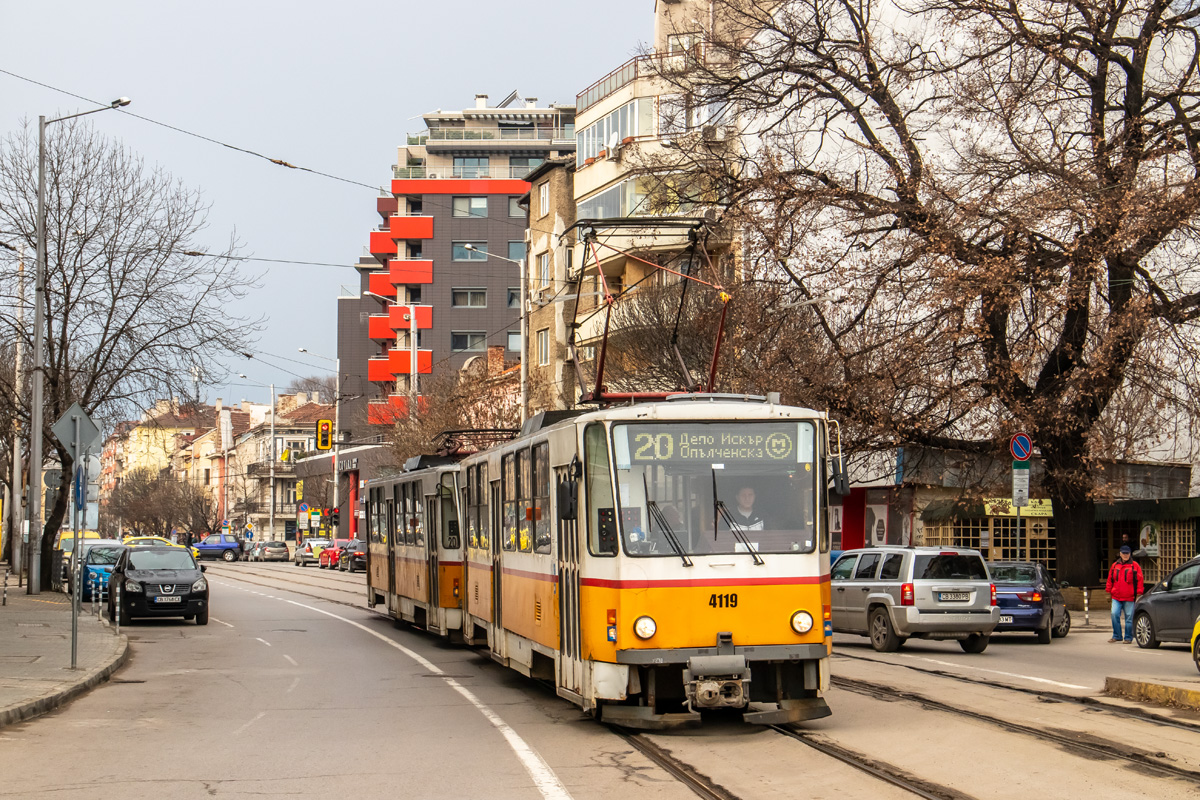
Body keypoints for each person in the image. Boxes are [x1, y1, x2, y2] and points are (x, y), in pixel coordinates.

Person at [1105, 545, 1144, 643]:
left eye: (1127, 553)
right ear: (1120, 554)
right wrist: (1108, 592)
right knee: (1114, 614)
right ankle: (1117, 635)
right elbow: (1110, 579)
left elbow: (1140, 580)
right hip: (1116, 596)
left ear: (1130, 554)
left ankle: (1128, 637)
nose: (1125, 555)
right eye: (1124, 553)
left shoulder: (1135, 566)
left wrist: (1139, 594)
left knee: (1129, 618)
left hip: (1129, 597)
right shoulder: (1114, 566)